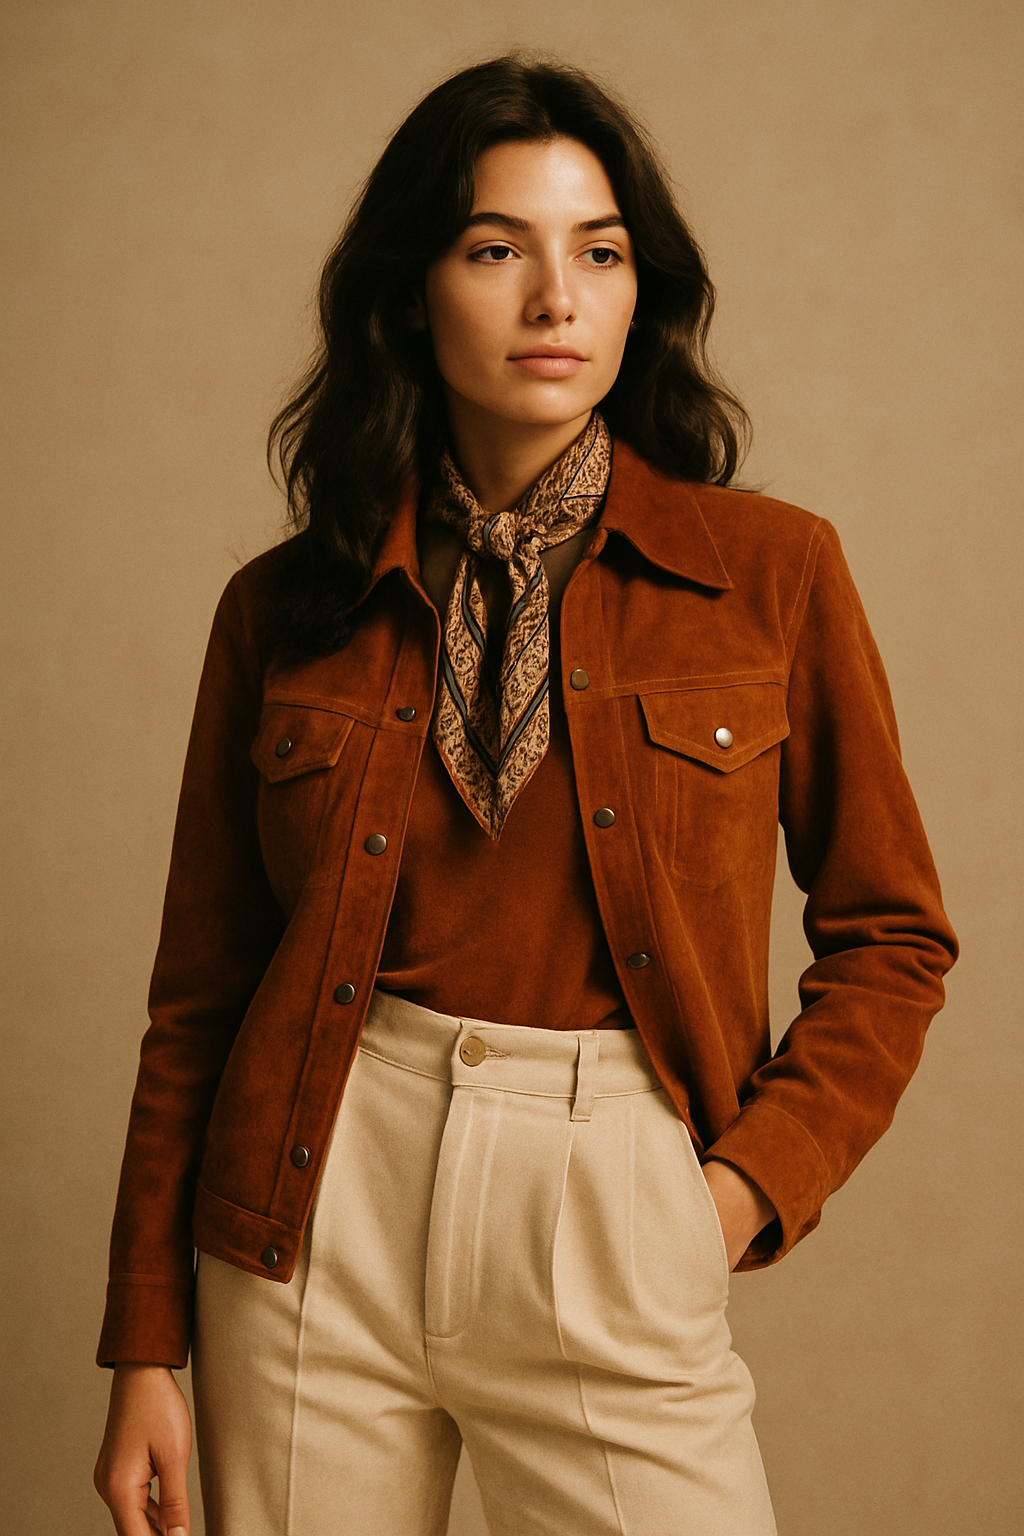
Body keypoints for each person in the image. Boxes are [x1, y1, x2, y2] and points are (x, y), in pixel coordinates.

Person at [93, 55, 957, 1536]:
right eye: (498, 248)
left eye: (600, 253)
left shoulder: (770, 578)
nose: (557, 298)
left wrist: (735, 1197)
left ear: (639, 291)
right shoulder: (284, 609)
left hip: (610, 1195)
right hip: (312, 1201)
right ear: (410, 289)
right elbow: (200, 996)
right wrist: (144, 1347)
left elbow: (894, 938)